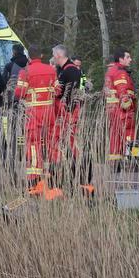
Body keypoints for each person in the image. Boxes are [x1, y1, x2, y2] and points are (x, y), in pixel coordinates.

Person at [16, 45, 59, 191]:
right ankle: (55, 175)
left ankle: (34, 180)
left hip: (33, 114)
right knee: (51, 143)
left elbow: (19, 93)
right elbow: (58, 89)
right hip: (49, 113)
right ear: (41, 55)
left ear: (28, 57)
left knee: (33, 144)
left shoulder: (25, 71)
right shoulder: (51, 70)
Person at [52, 45, 83, 185]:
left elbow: (66, 93)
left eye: (54, 55)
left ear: (59, 55)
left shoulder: (70, 70)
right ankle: (67, 170)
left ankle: (76, 169)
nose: (53, 58)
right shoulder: (64, 70)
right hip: (66, 112)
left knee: (70, 141)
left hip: (69, 112)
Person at [103, 50, 137, 167]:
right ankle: (134, 161)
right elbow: (122, 89)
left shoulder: (111, 71)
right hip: (122, 111)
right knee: (129, 134)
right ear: (121, 59)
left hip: (112, 110)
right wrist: (127, 103)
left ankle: (116, 163)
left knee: (115, 136)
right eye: (127, 57)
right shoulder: (120, 73)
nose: (130, 59)